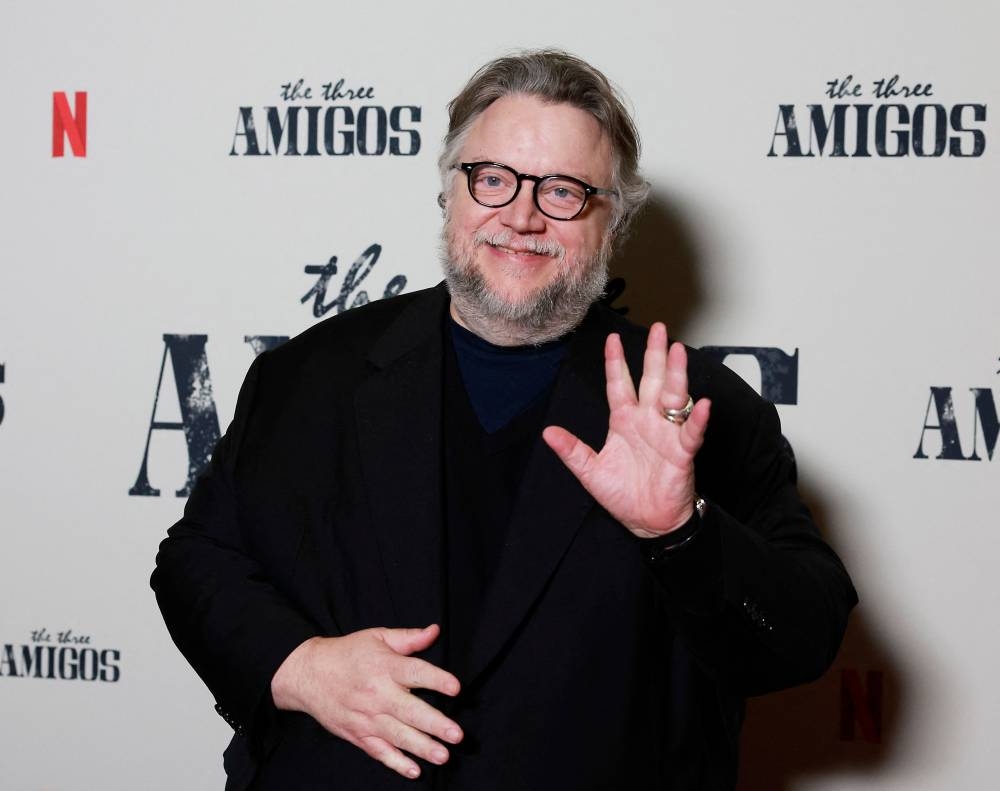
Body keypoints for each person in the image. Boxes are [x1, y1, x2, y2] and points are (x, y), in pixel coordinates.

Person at [152, 49, 857, 791]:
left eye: (563, 191)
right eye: (492, 179)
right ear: (449, 192)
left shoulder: (701, 408)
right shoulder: (310, 375)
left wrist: (680, 532)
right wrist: (297, 666)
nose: (520, 217)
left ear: (611, 220)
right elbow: (197, 560)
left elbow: (800, 639)